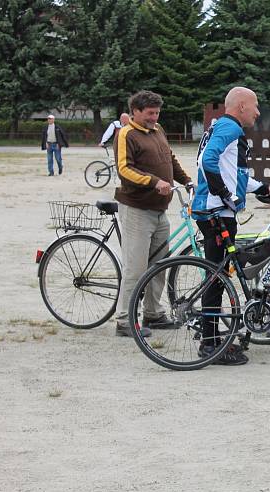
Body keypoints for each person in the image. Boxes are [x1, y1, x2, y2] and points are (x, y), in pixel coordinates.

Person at [191, 87, 270, 364]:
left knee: (218, 275)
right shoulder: (230, 128)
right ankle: (210, 344)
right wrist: (222, 192)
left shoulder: (223, 128)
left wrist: (266, 189)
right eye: (255, 106)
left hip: (216, 210)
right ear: (240, 106)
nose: (257, 111)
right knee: (215, 278)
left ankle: (213, 339)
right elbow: (207, 161)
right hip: (216, 213)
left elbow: (233, 174)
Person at [113, 90, 193, 337]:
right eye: (149, 113)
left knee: (159, 264)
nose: (154, 117)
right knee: (135, 268)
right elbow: (124, 169)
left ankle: (153, 313)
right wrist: (153, 181)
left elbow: (169, 158)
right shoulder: (126, 134)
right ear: (135, 111)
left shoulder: (158, 130)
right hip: (137, 209)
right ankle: (125, 320)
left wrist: (188, 181)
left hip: (159, 210)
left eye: (157, 113)